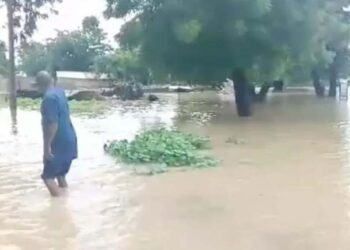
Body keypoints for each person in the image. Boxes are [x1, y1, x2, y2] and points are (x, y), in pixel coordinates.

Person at [34, 71, 78, 197]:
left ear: (39, 85)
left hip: (59, 142)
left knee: (47, 177)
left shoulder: (48, 99)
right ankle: (66, 200)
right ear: (52, 81)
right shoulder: (60, 93)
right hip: (71, 139)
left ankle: (59, 207)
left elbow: (53, 124)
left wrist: (47, 148)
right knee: (60, 174)